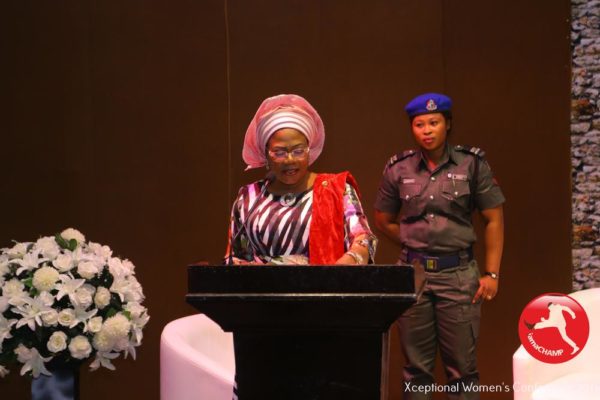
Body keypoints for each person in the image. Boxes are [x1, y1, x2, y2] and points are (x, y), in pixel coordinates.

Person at [374, 93, 505, 399]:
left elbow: (494, 219)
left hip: (459, 276)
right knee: (416, 371)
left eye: (434, 122)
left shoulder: (471, 164)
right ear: (412, 128)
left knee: (462, 370)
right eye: (419, 124)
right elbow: (383, 220)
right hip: (413, 275)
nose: (427, 130)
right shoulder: (399, 168)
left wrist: (492, 274)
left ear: (448, 124)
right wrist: (414, 239)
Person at [224, 93, 377, 266]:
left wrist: (348, 262)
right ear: (266, 154)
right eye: (280, 152)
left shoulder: (337, 189)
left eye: (298, 151)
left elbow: (363, 238)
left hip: (322, 289)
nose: (290, 160)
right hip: (262, 291)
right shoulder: (249, 198)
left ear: (309, 151)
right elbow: (235, 257)